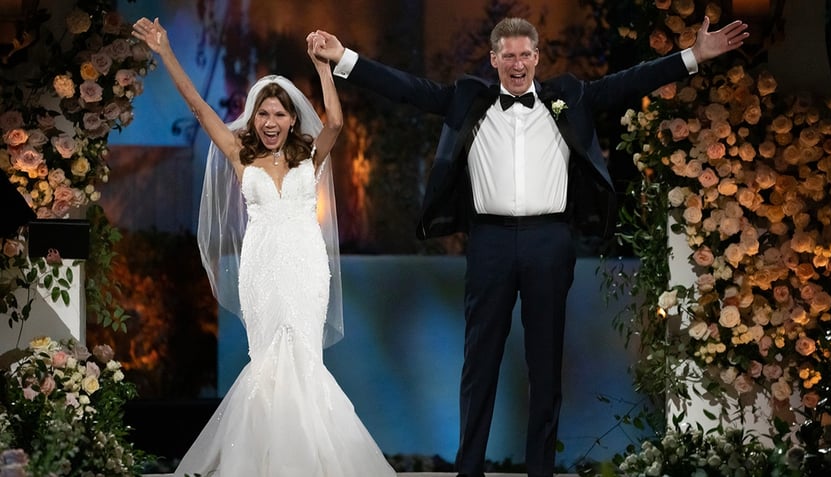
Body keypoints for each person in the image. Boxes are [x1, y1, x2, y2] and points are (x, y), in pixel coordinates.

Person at [310, 15, 749, 477]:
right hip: (489, 243)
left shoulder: (569, 97)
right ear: (494, 59)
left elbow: (629, 81)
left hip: (549, 242)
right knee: (480, 361)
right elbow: (407, 88)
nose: (517, 64)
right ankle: (470, 469)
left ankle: (541, 470)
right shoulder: (468, 99)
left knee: (545, 362)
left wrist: (695, 55)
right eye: (509, 56)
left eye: (525, 55)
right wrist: (343, 58)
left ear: (536, 57)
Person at [132, 17, 396, 477]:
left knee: (303, 359)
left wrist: (322, 68)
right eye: (263, 114)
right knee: (268, 361)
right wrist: (166, 52)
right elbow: (197, 106)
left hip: (306, 265)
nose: (271, 122)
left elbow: (335, 120)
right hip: (261, 266)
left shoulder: (310, 153)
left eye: (279, 114)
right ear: (253, 117)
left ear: (292, 119)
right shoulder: (239, 153)